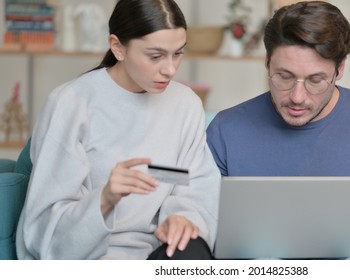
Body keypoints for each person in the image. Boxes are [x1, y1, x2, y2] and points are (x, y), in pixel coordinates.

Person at [206, 1, 350, 260]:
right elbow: (202, 232)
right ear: (268, 62)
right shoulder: (227, 130)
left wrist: (337, 223)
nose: (297, 96)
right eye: (285, 76)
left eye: (315, 80)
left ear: (340, 69)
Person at [16, 0, 220, 260]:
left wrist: (183, 218)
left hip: (157, 253)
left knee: (192, 251)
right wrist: (105, 198)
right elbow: (43, 227)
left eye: (178, 53)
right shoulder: (71, 103)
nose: (170, 69)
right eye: (155, 56)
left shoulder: (186, 104)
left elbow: (194, 184)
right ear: (117, 47)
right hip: (88, 259)